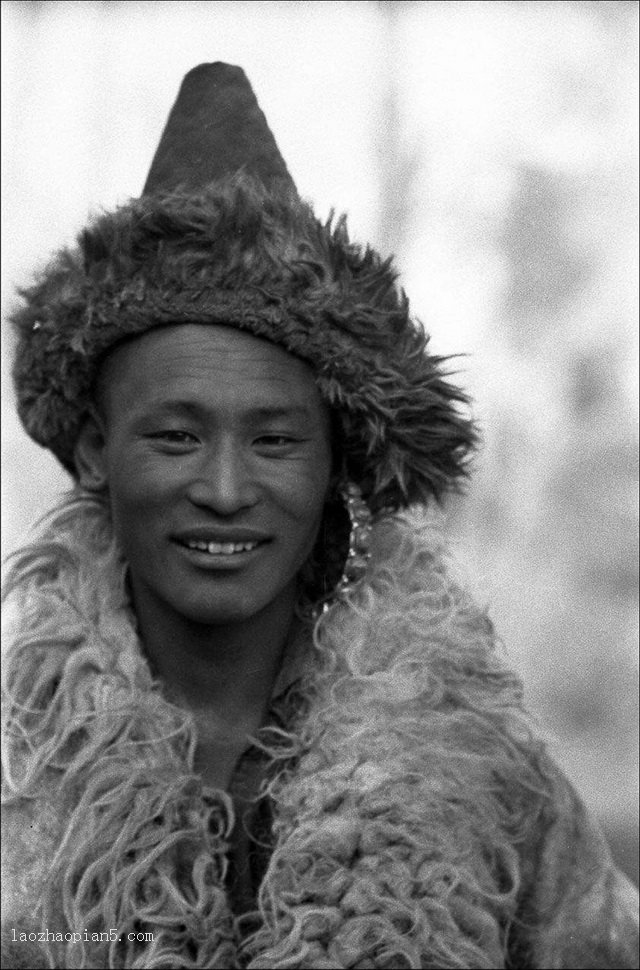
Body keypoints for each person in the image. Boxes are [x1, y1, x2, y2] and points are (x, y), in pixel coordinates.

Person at [1, 63, 637, 970]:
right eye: (176, 437)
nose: (224, 489)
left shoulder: (485, 778)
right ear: (98, 449)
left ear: (338, 457)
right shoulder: (14, 775)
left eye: (275, 441)